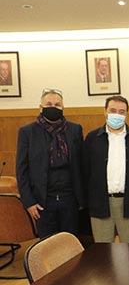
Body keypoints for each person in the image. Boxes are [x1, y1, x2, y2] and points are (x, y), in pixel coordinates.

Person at [16, 88, 85, 238]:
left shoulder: (75, 130)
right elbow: (21, 170)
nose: (53, 107)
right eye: (49, 104)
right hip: (42, 202)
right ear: (40, 108)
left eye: (57, 104)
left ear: (63, 108)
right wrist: (29, 202)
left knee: (71, 245)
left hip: (70, 199)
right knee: (47, 247)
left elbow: (81, 165)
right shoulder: (27, 132)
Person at [83, 95, 129, 243]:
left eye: (121, 111)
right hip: (101, 203)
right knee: (103, 254)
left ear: (126, 114)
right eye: (113, 110)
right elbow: (86, 170)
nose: (117, 115)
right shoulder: (92, 138)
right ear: (105, 112)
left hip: (128, 203)